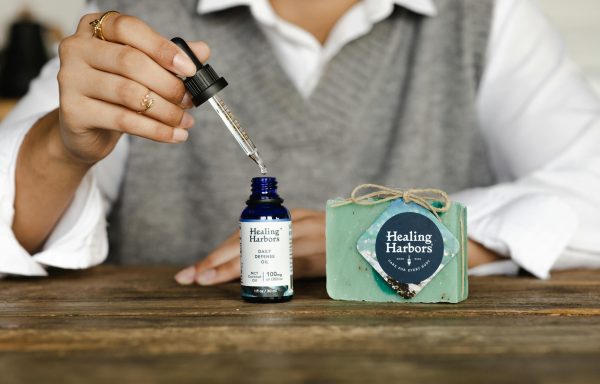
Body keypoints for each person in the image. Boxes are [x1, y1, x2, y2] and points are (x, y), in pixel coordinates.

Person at [0, 0, 598, 284]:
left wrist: (393, 238)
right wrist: (63, 149)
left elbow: (590, 191)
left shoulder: (486, 17)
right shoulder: (138, 16)